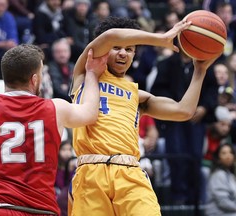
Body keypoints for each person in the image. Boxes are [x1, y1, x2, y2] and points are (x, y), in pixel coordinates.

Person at [69, 16, 219, 215]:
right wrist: (161, 38)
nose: (123, 53)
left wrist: (199, 71)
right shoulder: (86, 73)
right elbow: (111, 35)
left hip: (130, 173)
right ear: (103, 50)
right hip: (91, 171)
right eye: (117, 48)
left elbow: (184, 111)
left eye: (130, 49)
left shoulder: (137, 95)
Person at [0, 44, 107, 215]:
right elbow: (90, 112)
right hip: (42, 210)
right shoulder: (55, 109)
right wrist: (92, 73)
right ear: (34, 79)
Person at [204, 143, 236, 216]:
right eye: (224, 153)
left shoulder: (230, 175)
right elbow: (223, 202)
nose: (228, 156)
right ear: (218, 158)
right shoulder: (218, 174)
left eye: (231, 152)